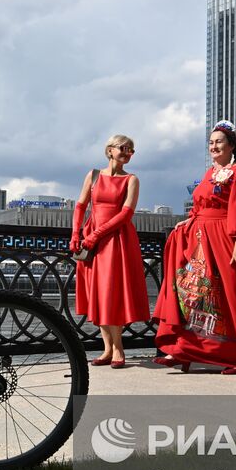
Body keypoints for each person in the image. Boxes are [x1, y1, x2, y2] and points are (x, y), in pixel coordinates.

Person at [153, 122, 236, 373]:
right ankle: (186, 349)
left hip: (225, 237)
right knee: (195, 293)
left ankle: (234, 355)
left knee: (226, 296)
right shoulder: (209, 173)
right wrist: (189, 221)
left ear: (231, 145)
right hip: (200, 238)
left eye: (219, 141)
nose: (214, 146)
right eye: (211, 142)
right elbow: (200, 205)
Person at [71, 135, 150, 369]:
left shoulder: (132, 180)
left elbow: (126, 214)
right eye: (123, 148)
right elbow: (80, 205)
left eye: (131, 150)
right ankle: (107, 348)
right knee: (96, 293)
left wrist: (97, 234)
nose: (127, 152)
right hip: (90, 241)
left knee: (110, 293)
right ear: (110, 151)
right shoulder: (94, 175)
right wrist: (76, 233)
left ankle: (118, 348)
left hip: (116, 241)